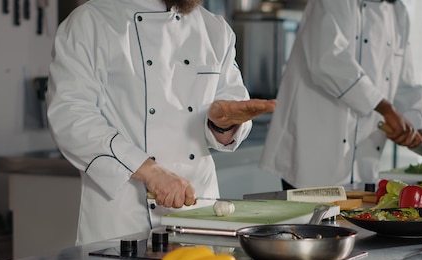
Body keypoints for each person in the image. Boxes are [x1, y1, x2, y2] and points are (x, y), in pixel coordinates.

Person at [46, 0, 276, 245]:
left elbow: (230, 105)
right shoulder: (90, 22)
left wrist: (222, 124)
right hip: (123, 220)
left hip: (198, 213)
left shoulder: (215, 29)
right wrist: (150, 171)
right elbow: (71, 116)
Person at [260, 0, 422, 190]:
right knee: (310, 221)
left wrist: (420, 134)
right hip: (311, 158)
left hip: (363, 162)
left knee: (351, 220)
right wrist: (385, 108)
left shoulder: (399, 13)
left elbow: (405, 84)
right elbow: (327, 61)